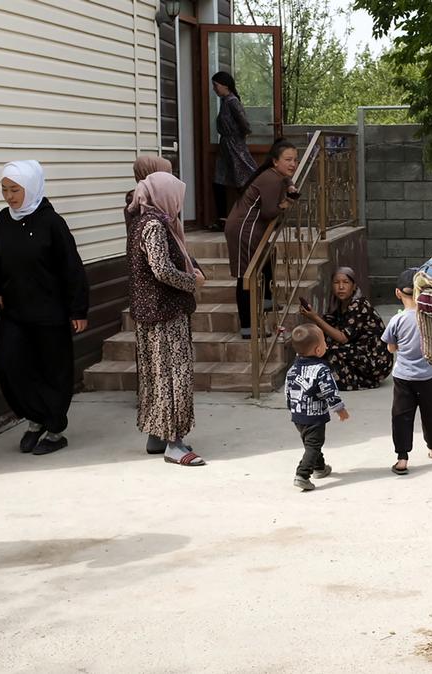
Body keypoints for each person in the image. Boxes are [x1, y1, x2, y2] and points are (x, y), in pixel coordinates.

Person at [0, 160, 89, 456]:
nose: (9, 196)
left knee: (52, 370)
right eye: (4, 190)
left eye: (15, 190)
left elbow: (72, 268)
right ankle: (35, 417)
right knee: (8, 364)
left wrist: (78, 309)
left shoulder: (52, 223)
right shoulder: (4, 220)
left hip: (50, 313)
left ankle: (55, 428)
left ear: (31, 188)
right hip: (16, 311)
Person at [126, 171, 208, 467]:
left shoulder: (141, 221)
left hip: (151, 312)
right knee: (175, 376)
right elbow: (161, 269)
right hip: (164, 313)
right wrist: (191, 281)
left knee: (157, 376)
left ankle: (157, 436)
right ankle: (175, 443)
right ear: (165, 196)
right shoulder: (154, 225)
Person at [224, 140, 300, 338]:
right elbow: (269, 212)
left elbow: (286, 181)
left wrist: (290, 185)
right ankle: (248, 327)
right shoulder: (272, 179)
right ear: (275, 162)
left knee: (268, 255)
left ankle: (267, 299)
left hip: (250, 228)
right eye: (288, 160)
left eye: (295, 160)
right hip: (244, 229)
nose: (293, 164)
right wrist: (285, 204)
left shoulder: (275, 176)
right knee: (246, 276)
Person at [381, 268, 432, 475]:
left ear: (398, 293)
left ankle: (402, 458)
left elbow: (391, 347)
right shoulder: (431, 318)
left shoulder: (396, 320)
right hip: (427, 376)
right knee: (429, 413)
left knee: (401, 416)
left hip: (403, 377)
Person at [299, 267, 394, 391]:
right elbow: (325, 328)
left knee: (330, 350)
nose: (341, 287)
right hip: (357, 352)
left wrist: (315, 317)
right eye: (337, 283)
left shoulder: (359, 305)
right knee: (322, 344)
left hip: (376, 359)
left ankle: (365, 381)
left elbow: (343, 338)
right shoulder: (337, 304)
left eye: (346, 282)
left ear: (354, 286)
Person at [286, 324, 349, 491]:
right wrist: (339, 409)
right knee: (313, 445)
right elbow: (329, 391)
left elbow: (288, 390)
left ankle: (319, 468)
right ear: (318, 350)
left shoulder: (292, 369)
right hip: (314, 415)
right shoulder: (321, 369)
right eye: (324, 343)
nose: (327, 345)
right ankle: (302, 475)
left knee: (311, 443)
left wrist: (292, 407)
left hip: (298, 415)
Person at [211, 71, 258, 228]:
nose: (214, 89)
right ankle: (223, 219)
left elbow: (244, 124)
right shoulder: (225, 102)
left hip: (234, 146)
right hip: (226, 147)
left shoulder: (232, 102)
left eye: (216, 85)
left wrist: (239, 139)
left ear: (225, 85)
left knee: (244, 179)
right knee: (219, 181)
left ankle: (254, 215)